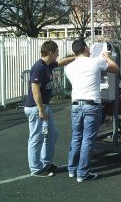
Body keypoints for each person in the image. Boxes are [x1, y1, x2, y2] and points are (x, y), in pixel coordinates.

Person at [65, 39, 119, 182]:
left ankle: (72, 169)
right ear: (84, 48)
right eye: (87, 46)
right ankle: (82, 173)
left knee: (76, 137)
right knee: (88, 139)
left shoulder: (68, 67)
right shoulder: (95, 61)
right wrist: (107, 57)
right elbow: (115, 68)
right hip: (91, 105)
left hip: (76, 105)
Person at [24, 40, 76, 177]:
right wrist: (41, 109)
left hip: (43, 107)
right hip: (36, 107)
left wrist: (77, 57)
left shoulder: (48, 65)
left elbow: (61, 63)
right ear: (51, 52)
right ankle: (36, 169)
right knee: (36, 138)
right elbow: (35, 89)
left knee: (52, 134)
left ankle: (45, 163)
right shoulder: (39, 67)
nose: (58, 54)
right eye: (57, 52)